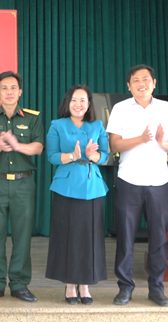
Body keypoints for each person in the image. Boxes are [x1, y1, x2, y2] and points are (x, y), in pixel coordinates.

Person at [106, 64, 168, 307]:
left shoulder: (166, 108)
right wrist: (140, 139)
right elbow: (114, 145)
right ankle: (125, 287)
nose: (142, 83)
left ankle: (156, 288)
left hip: (159, 181)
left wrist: (162, 142)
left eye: (146, 79)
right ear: (128, 86)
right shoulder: (120, 108)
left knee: (159, 238)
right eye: (136, 80)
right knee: (125, 237)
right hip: (128, 180)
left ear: (154, 83)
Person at [0, 71, 44, 302]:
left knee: (22, 235)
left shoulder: (32, 118)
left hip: (23, 184)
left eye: (13, 87)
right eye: (4, 88)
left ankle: (19, 284)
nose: (9, 92)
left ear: (20, 92)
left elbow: (38, 147)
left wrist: (18, 146)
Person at [45, 84, 109, 305]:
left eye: (83, 100)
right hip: (66, 187)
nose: (78, 104)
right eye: (74, 100)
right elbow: (52, 156)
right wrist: (73, 155)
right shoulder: (57, 125)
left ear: (89, 104)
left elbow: (105, 156)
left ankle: (85, 285)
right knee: (67, 236)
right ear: (67, 103)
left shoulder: (97, 125)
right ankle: (70, 285)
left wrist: (92, 156)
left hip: (92, 187)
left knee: (90, 237)